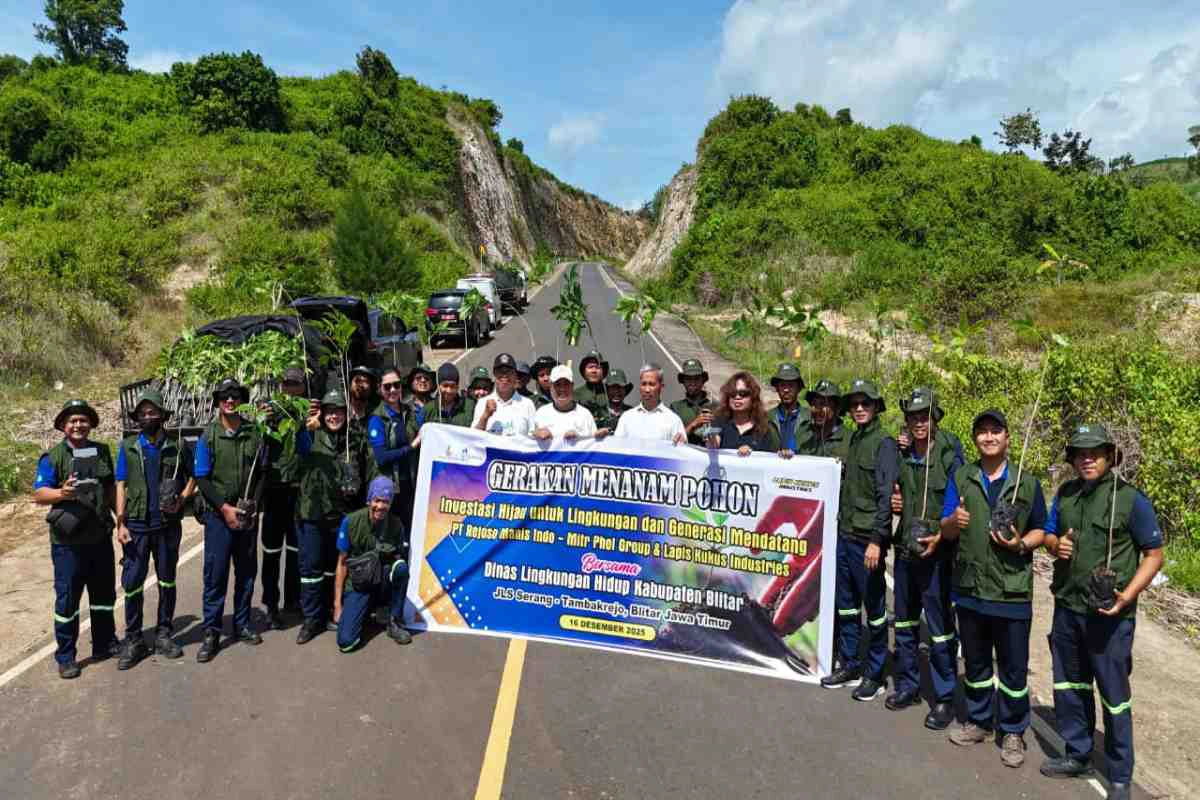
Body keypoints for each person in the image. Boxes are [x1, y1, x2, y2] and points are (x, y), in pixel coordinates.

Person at [1039, 424, 1163, 800]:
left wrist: (1126, 597)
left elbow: (1154, 555)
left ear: (1109, 455)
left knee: (1114, 695)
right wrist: (1053, 544)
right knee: (1070, 686)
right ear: (1073, 459)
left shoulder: (1130, 500)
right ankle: (1077, 754)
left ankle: (1120, 774)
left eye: (1094, 452)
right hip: (1068, 608)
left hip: (1110, 616)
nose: (1087, 458)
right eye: (1080, 453)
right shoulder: (1066, 494)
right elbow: (1047, 535)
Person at [939, 408, 1047, 768]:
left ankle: (1013, 730)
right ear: (975, 439)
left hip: (1011, 590)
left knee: (1014, 670)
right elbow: (946, 526)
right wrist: (954, 521)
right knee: (976, 661)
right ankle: (979, 721)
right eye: (982, 432)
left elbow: (1042, 530)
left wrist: (1019, 544)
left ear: (1007, 437)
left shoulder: (1026, 483)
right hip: (970, 587)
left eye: (995, 431)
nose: (989, 437)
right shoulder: (962, 476)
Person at [887, 387, 965, 728]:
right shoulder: (904, 454)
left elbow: (959, 499)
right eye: (914, 417)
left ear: (936, 418)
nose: (920, 422)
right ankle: (908, 684)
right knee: (904, 622)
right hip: (906, 550)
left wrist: (940, 533)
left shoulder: (949, 451)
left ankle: (945, 696)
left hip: (937, 554)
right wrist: (895, 504)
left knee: (939, 630)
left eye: (925, 416)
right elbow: (897, 492)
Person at [819, 379, 898, 703]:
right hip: (845, 534)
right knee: (847, 606)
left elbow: (885, 497)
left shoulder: (884, 443)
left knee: (875, 612)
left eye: (866, 403)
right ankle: (850, 664)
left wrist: (878, 540)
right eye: (854, 405)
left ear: (876, 406)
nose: (860, 409)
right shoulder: (853, 440)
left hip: (867, 540)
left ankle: (875, 674)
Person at [33, 400, 120, 679]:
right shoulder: (53, 457)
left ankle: (104, 643)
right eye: (73, 421)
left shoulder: (103, 451)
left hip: (99, 537)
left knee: (104, 596)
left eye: (83, 420)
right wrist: (62, 493)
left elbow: (110, 490)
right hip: (67, 543)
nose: (78, 425)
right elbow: (39, 495)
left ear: (91, 424)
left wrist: (121, 522)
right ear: (63, 426)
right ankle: (66, 656)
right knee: (68, 602)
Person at [113, 389, 194, 669]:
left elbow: (195, 477)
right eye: (143, 413)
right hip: (136, 525)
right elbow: (120, 484)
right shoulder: (127, 447)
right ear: (137, 418)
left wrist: (182, 499)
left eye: (153, 412)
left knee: (167, 581)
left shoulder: (178, 446)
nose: (148, 417)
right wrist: (120, 522)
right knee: (132, 584)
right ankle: (134, 640)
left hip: (167, 526)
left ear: (162, 416)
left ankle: (164, 634)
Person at [192, 379, 268, 663]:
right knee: (216, 574)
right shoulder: (208, 436)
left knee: (246, 572)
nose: (230, 400)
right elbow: (201, 477)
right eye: (225, 396)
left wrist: (254, 507)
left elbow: (262, 472)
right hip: (218, 518)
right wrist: (224, 508)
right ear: (218, 401)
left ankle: (242, 623)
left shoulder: (255, 433)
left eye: (235, 396)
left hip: (246, 516)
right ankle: (211, 631)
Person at [295, 388, 376, 645]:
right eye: (329, 412)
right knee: (311, 569)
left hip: (343, 512)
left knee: (338, 565)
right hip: (313, 511)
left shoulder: (354, 437)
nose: (333, 417)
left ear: (345, 413)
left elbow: (369, 464)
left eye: (338, 412)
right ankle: (311, 619)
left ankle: (335, 609)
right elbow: (298, 449)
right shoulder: (311, 433)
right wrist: (306, 428)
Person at [334, 477, 412, 652]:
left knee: (401, 568)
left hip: (381, 582)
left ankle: (394, 621)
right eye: (377, 500)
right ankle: (365, 611)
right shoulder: (351, 522)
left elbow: (399, 559)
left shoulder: (396, 525)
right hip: (358, 584)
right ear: (369, 500)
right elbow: (341, 564)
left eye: (386, 502)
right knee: (346, 643)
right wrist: (338, 605)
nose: (381, 506)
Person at [260, 366, 305, 630]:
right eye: (287, 384)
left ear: (302, 386)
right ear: (281, 385)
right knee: (271, 551)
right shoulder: (270, 409)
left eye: (295, 384)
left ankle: (292, 601)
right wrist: (263, 419)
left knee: (296, 550)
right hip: (275, 491)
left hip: (298, 491)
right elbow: (259, 440)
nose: (290, 389)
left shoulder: (307, 410)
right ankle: (270, 604)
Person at [368, 366, 420, 538]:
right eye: (387, 386)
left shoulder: (409, 412)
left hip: (410, 484)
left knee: (411, 533)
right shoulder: (377, 419)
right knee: (390, 537)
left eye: (396, 385)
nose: (392, 390)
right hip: (389, 488)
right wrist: (410, 448)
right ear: (379, 389)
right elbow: (381, 457)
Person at [707, 371, 781, 455]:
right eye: (732, 393)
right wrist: (711, 440)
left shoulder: (765, 427)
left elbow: (773, 459)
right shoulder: (718, 421)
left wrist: (752, 454)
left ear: (753, 397)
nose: (737, 397)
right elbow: (712, 444)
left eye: (743, 393)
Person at [612, 364, 686, 444]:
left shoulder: (673, 420)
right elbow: (617, 446)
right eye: (644, 384)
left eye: (651, 384)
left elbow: (681, 451)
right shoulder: (627, 418)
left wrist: (681, 444)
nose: (647, 390)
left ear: (661, 387)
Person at [473, 353, 537, 437]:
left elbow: (533, 438)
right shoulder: (482, 403)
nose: (504, 376)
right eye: (500, 371)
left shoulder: (527, 404)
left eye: (508, 372)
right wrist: (485, 416)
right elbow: (473, 439)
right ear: (494, 374)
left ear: (515, 375)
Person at [533, 365, 598, 440]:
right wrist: (536, 433)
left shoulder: (585, 415)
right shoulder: (541, 414)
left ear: (572, 386)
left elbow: (594, 447)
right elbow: (528, 442)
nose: (562, 389)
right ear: (551, 387)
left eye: (566, 384)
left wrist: (579, 438)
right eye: (557, 384)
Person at [768, 364, 812, 457]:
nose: (786, 390)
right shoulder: (767, 417)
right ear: (777, 388)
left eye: (791, 385)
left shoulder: (811, 418)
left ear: (799, 388)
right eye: (782, 385)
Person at [801, 380, 851, 461]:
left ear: (837, 409)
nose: (817, 410)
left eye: (823, 404)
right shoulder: (802, 433)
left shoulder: (850, 440)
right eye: (814, 404)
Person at [670, 359, 713, 445]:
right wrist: (694, 424)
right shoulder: (675, 408)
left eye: (696, 379)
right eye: (688, 379)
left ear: (703, 380)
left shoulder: (715, 407)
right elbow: (672, 439)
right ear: (683, 381)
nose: (692, 383)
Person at [419, 363, 474, 428]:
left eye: (452, 386)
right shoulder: (428, 410)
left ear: (457, 386)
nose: (449, 390)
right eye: (445, 386)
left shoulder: (469, 406)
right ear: (438, 386)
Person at [574, 350, 610, 424]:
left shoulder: (610, 392)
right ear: (584, 371)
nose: (594, 371)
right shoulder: (575, 394)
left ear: (603, 371)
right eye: (590, 367)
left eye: (597, 367)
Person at [596, 369, 634, 435]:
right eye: (613, 388)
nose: (616, 391)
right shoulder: (597, 413)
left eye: (619, 387)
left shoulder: (632, 413)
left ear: (625, 390)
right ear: (606, 390)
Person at [347, 365, 378, 435]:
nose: (361, 385)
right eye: (357, 381)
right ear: (350, 385)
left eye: (366, 381)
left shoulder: (377, 415)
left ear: (371, 388)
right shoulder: (342, 414)